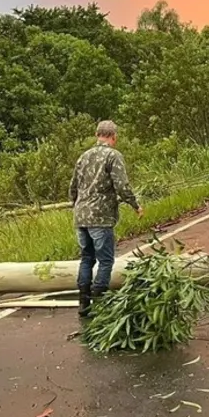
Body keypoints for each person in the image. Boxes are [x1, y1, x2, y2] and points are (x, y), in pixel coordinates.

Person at [69, 120, 144, 317]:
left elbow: (73, 187)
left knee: (86, 258)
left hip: (81, 216)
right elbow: (122, 185)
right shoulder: (113, 156)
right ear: (114, 137)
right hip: (100, 217)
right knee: (105, 260)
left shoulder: (83, 157)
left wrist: (76, 207)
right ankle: (100, 302)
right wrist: (135, 205)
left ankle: (83, 303)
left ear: (96, 134)